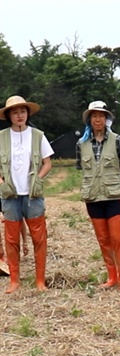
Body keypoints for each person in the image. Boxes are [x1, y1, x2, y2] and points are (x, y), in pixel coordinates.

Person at [0, 95, 54, 293]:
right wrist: (2, 183)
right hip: (10, 196)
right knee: (11, 238)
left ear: (27, 113)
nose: (19, 115)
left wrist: (38, 178)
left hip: (32, 194)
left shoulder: (38, 135)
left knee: (39, 237)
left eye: (22, 111)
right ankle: (14, 280)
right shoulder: (2, 137)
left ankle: (40, 280)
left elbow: (48, 162)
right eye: (15, 112)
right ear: (9, 116)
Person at [75, 101, 120, 292]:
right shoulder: (81, 144)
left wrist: (115, 184)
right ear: (89, 120)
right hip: (93, 197)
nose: (97, 119)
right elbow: (82, 169)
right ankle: (112, 276)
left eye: (101, 115)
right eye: (94, 116)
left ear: (106, 119)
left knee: (118, 238)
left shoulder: (117, 140)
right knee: (103, 239)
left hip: (114, 196)